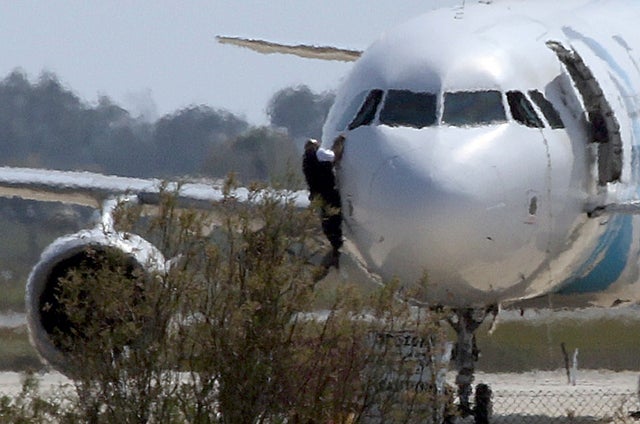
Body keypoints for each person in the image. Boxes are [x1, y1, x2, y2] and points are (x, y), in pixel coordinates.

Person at [302, 138, 343, 268]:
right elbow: (334, 157)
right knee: (335, 219)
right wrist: (338, 144)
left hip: (319, 196)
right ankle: (337, 249)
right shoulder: (319, 154)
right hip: (329, 193)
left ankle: (334, 250)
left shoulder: (306, 161)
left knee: (327, 221)